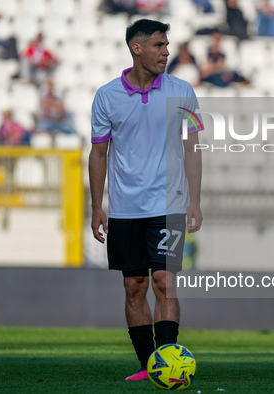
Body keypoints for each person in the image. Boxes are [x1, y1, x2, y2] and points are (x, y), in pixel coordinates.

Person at [89, 19, 203, 381]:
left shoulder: (182, 90)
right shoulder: (107, 96)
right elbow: (98, 154)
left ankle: (167, 360)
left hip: (169, 204)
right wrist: (97, 207)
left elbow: (192, 147)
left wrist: (194, 200)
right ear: (136, 48)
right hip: (125, 208)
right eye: (158, 45)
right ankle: (146, 365)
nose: (166, 52)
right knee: (133, 285)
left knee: (164, 281)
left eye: (167, 45)